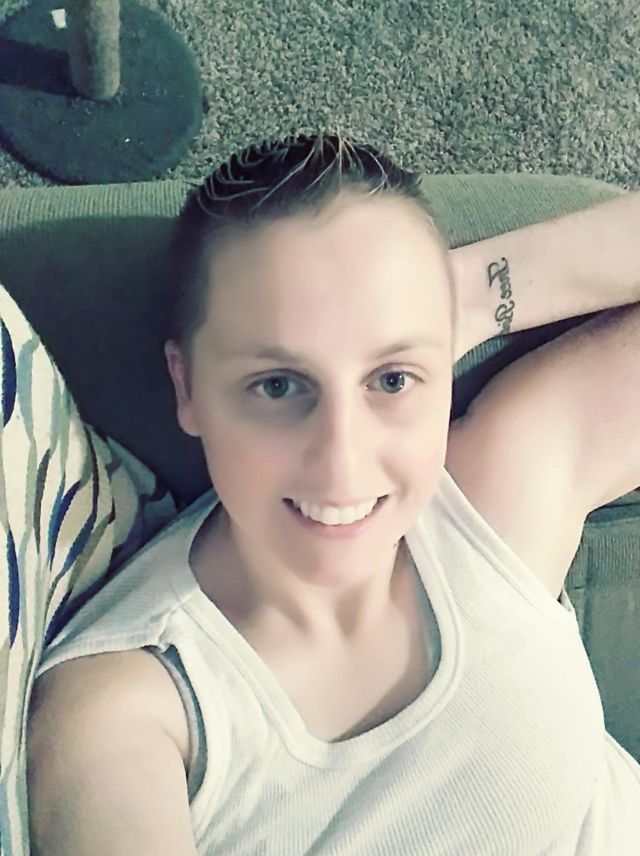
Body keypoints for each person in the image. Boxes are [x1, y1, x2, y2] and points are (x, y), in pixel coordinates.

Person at [22, 132, 640, 854]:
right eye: (278, 386)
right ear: (186, 386)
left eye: (392, 380)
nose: (342, 462)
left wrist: (462, 297)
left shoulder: (490, 501)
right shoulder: (132, 712)